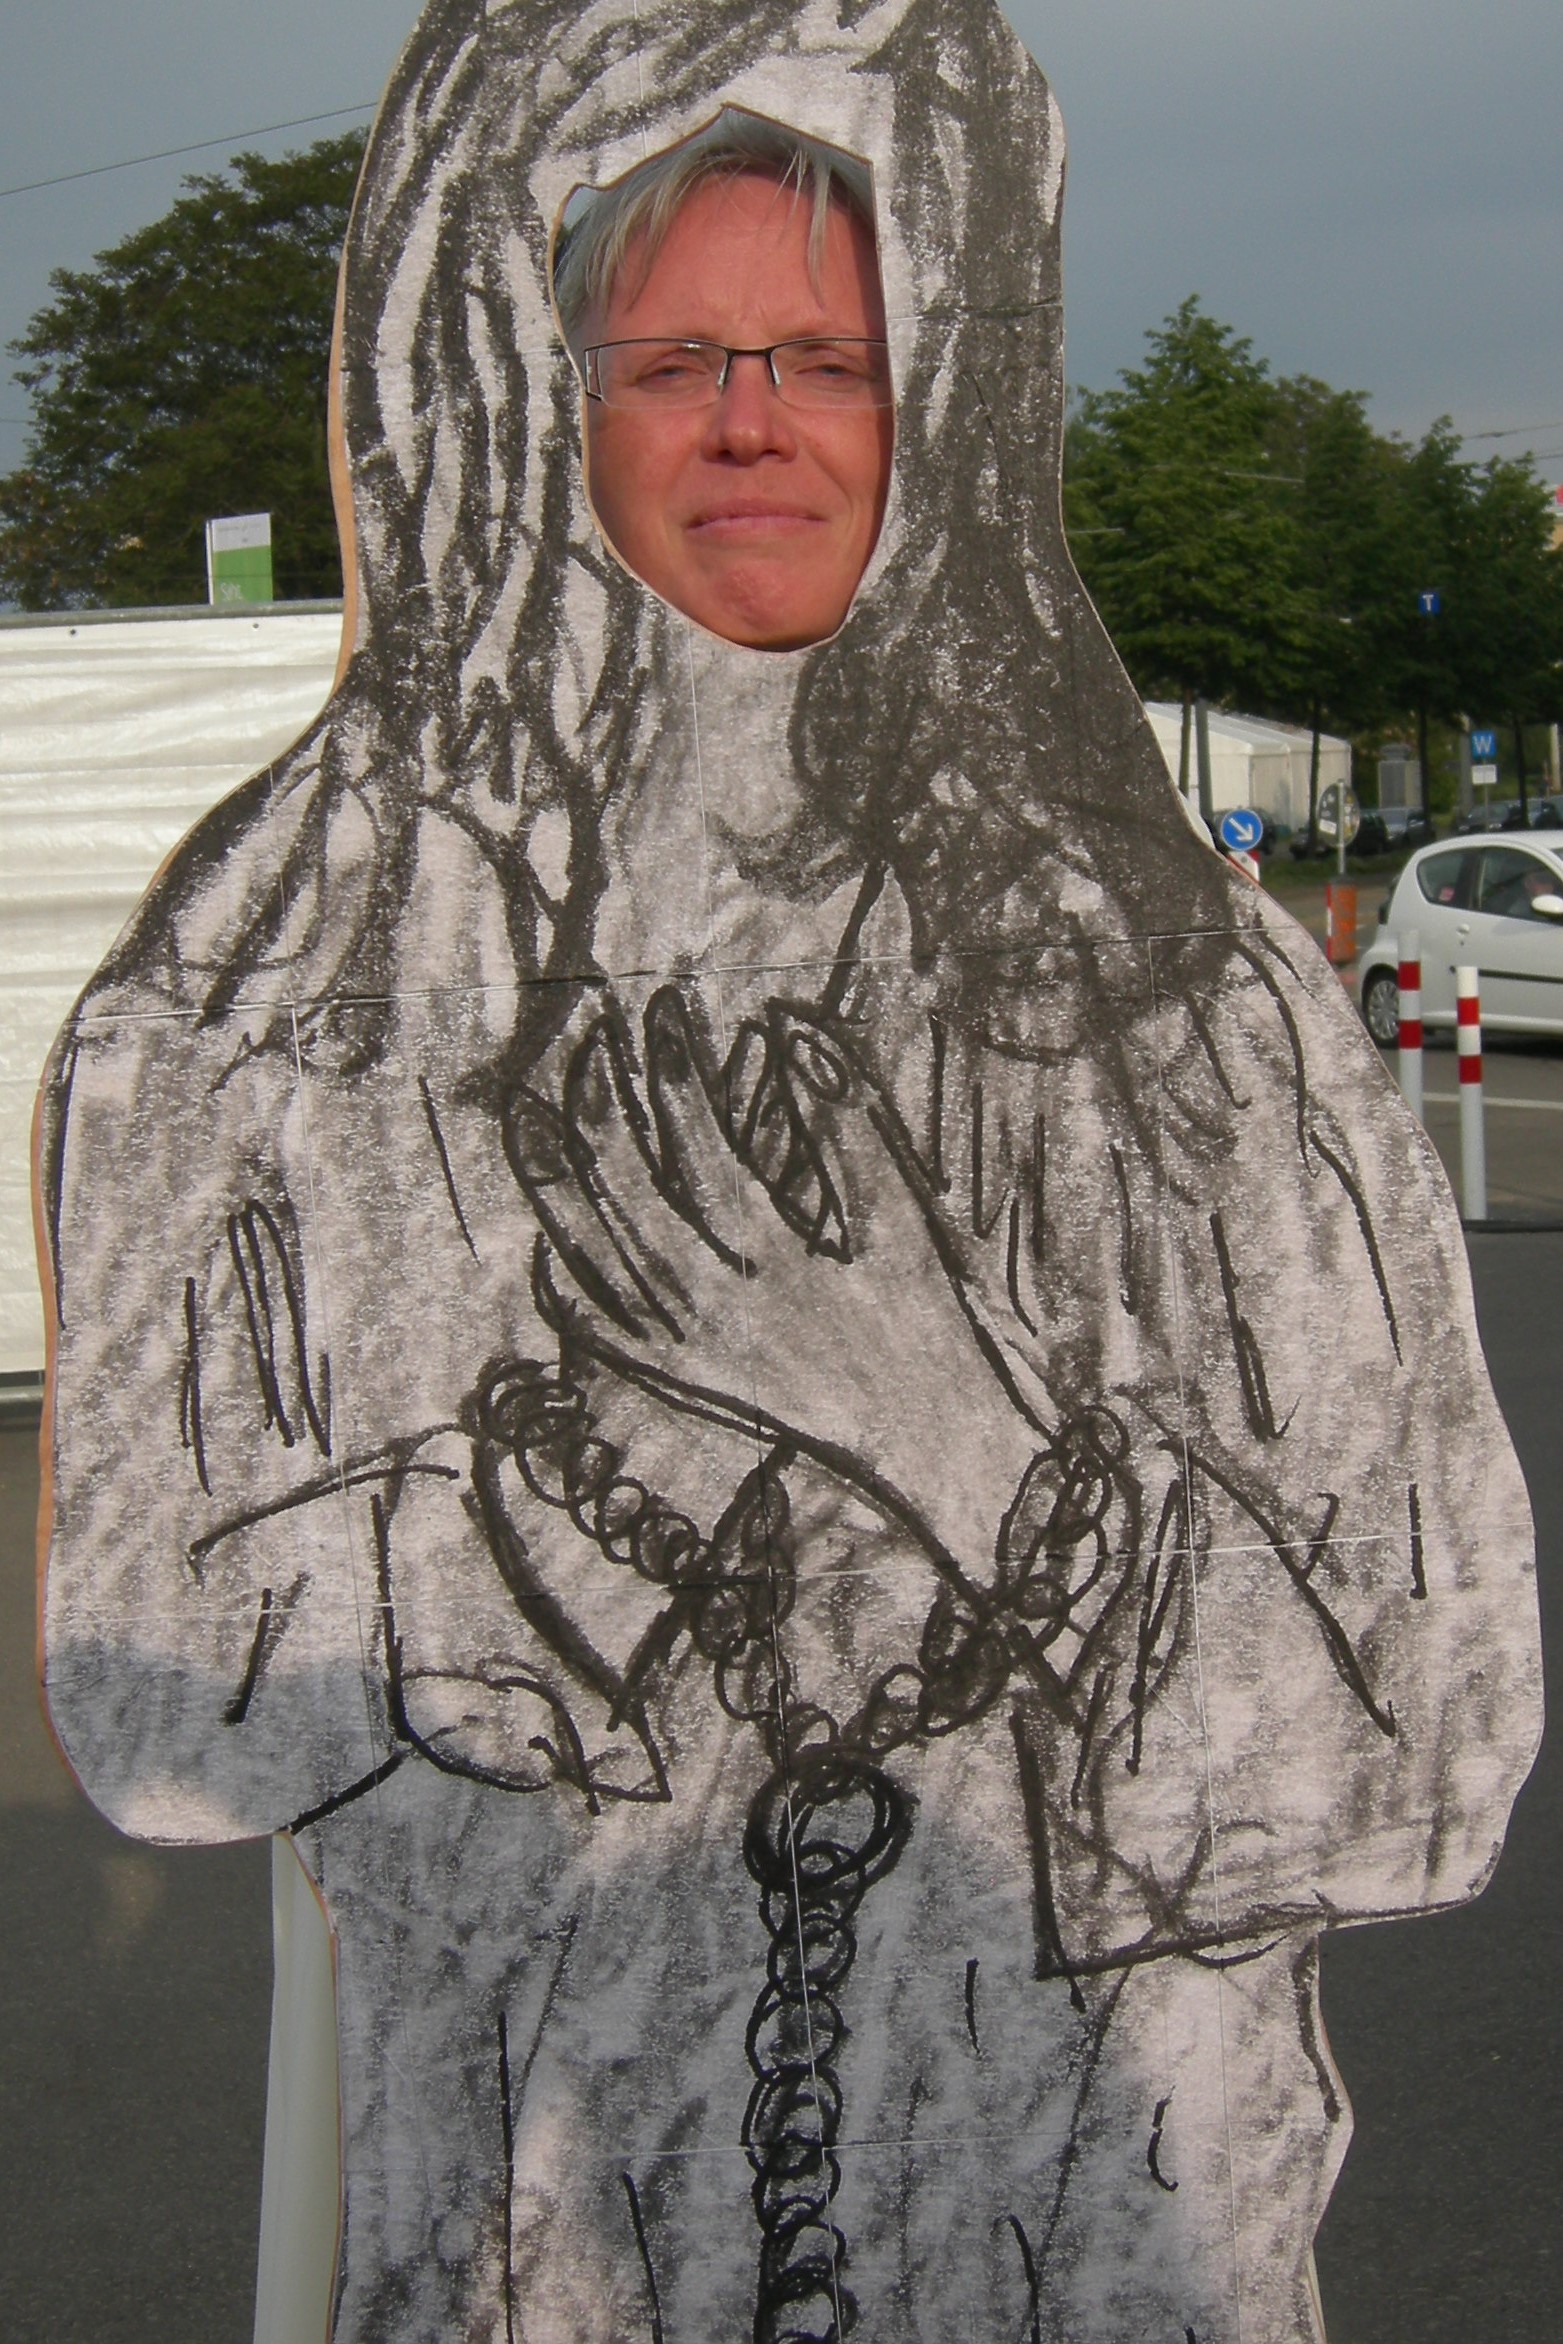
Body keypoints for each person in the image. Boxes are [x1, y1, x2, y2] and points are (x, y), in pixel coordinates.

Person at [37, 8, 1540, 2342]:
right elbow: (159, 1695)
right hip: (541, 2253)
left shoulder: (1187, 988)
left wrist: (919, 1401)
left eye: (830, 360)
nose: (753, 420)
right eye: (673, 361)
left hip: (1101, 2248)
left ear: (944, 409)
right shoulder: (302, 964)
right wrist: (537, 1515)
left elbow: (1423, 1740)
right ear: (539, 405)